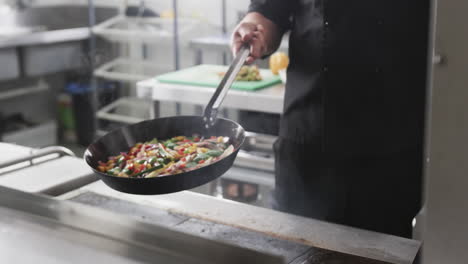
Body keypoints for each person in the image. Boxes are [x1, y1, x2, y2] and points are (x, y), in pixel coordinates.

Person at [231, 0, 430, 238]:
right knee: (296, 248)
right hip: (310, 138)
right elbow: (271, 9)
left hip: (395, 145)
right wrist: (255, 25)